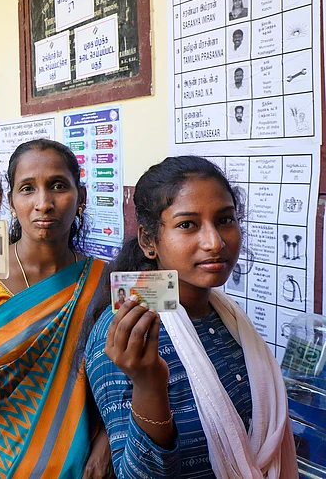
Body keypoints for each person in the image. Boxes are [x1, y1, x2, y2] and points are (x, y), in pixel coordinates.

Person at [85, 156, 297, 478]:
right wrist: (149, 387)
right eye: (188, 225)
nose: (215, 242)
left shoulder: (230, 318)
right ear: (148, 241)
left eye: (225, 220)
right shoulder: (126, 336)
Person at [0, 142, 111, 478]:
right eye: (28, 189)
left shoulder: (102, 281)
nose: (43, 204)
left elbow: (123, 380)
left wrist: (104, 443)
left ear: (81, 196)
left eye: (58, 186)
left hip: (81, 466)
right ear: (12, 202)